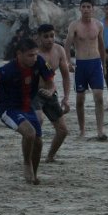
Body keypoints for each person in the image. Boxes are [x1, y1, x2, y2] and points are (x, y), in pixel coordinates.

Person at [0, 38, 55, 185]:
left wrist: (51, 90)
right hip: (9, 109)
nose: (34, 58)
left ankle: (34, 175)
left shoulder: (40, 62)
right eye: (30, 55)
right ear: (19, 54)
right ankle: (26, 163)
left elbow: (51, 82)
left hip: (28, 107)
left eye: (35, 54)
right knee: (29, 133)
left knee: (39, 142)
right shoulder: (8, 70)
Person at [64, 0, 107, 140]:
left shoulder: (98, 25)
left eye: (89, 6)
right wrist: (68, 62)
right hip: (81, 64)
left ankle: (100, 131)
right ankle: (82, 130)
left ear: (93, 8)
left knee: (99, 97)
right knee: (80, 99)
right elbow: (67, 44)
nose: (86, 9)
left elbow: (101, 45)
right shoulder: (74, 26)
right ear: (80, 9)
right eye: (84, 7)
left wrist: (104, 64)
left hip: (95, 64)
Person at [34, 24, 71, 163]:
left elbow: (66, 76)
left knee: (63, 131)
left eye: (52, 36)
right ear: (38, 38)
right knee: (38, 121)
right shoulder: (34, 53)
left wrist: (66, 98)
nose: (50, 39)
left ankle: (50, 156)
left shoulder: (59, 50)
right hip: (33, 93)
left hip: (50, 92)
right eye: (46, 36)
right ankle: (31, 156)